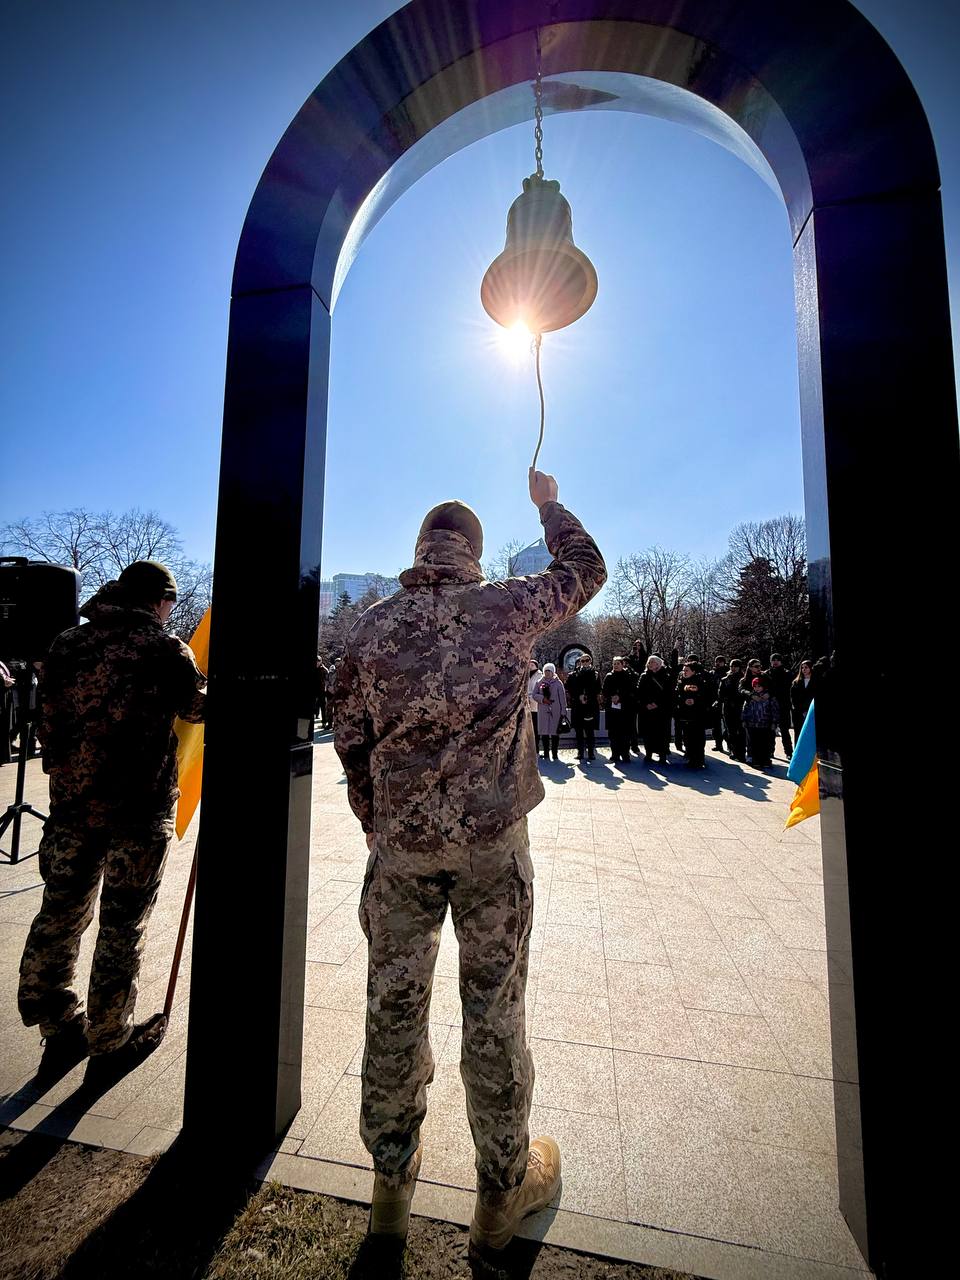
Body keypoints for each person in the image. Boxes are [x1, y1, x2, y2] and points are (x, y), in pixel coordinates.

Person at [333, 470, 605, 1248]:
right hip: (491, 852)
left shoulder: (371, 629)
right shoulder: (507, 607)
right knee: (493, 1015)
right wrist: (548, 506)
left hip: (403, 853)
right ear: (476, 554)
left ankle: (391, 1183)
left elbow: (349, 737)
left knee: (392, 1007)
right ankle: (500, 1194)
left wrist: (378, 821)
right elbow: (585, 569)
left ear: (419, 547)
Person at [18, 560, 206, 1087]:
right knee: (122, 925)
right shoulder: (163, 649)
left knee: (59, 913)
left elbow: (47, 722)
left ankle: (55, 1024)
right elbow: (197, 707)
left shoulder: (66, 645)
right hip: (137, 812)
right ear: (158, 600)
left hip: (72, 806)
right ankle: (109, 1037)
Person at [566, 653, 602, 762]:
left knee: (590, 731)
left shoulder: (595, 674)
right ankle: (580, 752)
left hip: (590, 706)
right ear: (580, 662)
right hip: (578, 706)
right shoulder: (574, 674)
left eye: (587, 660)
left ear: (590, 661)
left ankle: (591, 752)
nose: (585, 662)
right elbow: (569, 688)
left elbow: (598, 689)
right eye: (582, 661)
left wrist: (588, 697)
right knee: (579, 731)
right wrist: (579, 696)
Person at [674, 661, 710, 769]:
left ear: (693, 671)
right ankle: (691, 757)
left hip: (697, 714)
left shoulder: (700, 681)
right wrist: (683, 701)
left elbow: (705, 696)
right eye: (683, 670)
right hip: (685, 714)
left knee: (698, 738)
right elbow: (677, 695)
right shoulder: (681, 682)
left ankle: (699, 759)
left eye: (687, 670)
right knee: (688, 737)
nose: (684, 672)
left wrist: (695, 700)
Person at [636, 655, 671, 764]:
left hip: (661, 710)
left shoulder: (666, 676)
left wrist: (657, 703)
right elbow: (639, 692)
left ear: (659, 664)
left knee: (662, 733)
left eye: (652, 662)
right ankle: (648, 753)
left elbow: (668, 693)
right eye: (649, 662)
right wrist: (646, 704)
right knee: (648, 733)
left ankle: (662, 755)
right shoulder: (644, 676)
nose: (650, 664)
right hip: (647, 710)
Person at [602, 657, 634, 765]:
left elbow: (631, 691)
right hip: (612, 709)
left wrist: (620, 697)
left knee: (625, 733)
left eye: (618, 664)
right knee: (613, 733)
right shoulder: (609, 676)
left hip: (625, 709)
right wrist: (612, 697)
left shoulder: (628, 676)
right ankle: (615, 754)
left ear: (622, 664)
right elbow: (604, 691)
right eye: (614, 663)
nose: (615, 665)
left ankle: (625, 754)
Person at [741, 675, 779, 768]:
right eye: (755, 686)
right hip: (753, 724)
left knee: (766, 743)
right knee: (754, 743)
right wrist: (744, 720)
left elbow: (775, 710)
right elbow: (745, 709)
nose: (757, 688)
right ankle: (756, 760)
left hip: (766, 724)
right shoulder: (750, 698)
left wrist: (774, 722)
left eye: (759, 686)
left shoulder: (769, 697)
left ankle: (765, 759)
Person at [533, 662, 567, 762]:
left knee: (555, 733)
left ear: (553, 672)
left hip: (555, 711)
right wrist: (542, 699)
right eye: (546, 671)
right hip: (543, 711)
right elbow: (534, 695)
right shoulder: (539, 682)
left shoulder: (558, 683)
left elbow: (562, 698)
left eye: (549, 671)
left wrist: (563, 711)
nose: (547, 673)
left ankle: (555, 753)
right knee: (544, 733)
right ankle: (546, 753)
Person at [765, 653, 794, 759]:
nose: (775, 662)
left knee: (784, 730)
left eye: (777, 659)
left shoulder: (787, 674)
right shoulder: (767, 674)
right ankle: (770, 751)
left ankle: (789, 752)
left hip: (783, 705)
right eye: (773, 660)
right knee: (770, 730)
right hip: (770, 705)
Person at [718, 660, 747, 762]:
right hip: (728, 707)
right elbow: (720, 695)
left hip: (740, 707)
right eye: (732, 666)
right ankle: (733, 750)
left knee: (741, 730)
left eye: (736, 666)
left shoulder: (743, 679)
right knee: (730, 730)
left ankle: (741, 752)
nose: (733, 668)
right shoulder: (725, 679)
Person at [625, 640, 647, 754]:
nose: (637, 648)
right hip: (627, 698)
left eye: (639, 646)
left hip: (637, 696)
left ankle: (635, 744)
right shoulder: (630, 658)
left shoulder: (644, 657)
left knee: (635, 722)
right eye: (635, 646)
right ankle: (629, 744)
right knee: (628, 723)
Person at [791, 659, 815, 733]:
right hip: (799, 713)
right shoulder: (796, 682)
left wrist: (808, 710)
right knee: (799, 733)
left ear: (811, 668)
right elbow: (793, 698)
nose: (804, 669)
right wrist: (801, 710)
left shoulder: (816, 681)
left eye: (806, 667)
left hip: (812, 712)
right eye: (802, 667)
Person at [709, 656, 728, 752]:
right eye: (717, 661)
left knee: (727, 725)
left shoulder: (727, 673)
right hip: (714, 701)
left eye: (720, 662)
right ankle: (718, 744)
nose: (718, 663)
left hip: (725, 701)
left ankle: (730, 744)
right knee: (715, 726)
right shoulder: (712, 673)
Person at [526, 657, 542, 744]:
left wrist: (531, 697)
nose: (530, 666)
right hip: (526, 703)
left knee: (535, 726)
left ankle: (536, 746)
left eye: (532, 665)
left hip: (535, 704)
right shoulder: (526, 674)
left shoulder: (539, 675)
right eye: (529, 665)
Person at [314, 654, 331, 729]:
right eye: (316, 661)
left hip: (322, 690)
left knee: (323, 707)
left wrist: (326, 688)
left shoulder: (324, 670)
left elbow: (327, 680)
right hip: (315, 689)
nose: (317, 662)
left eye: (318, 661)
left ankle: (324, 722)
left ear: (321, 661)